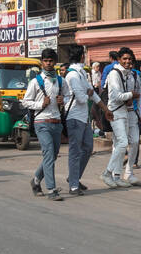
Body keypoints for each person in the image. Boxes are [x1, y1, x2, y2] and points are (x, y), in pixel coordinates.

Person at [24, 48, 65, 201]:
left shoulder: (61, 80)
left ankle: (35, 180)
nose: (48, 63)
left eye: (51, 61)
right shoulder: (35, 81)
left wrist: (63, 101)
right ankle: (51, 189)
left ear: (55, 62)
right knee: (48, 154)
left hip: (56, 121)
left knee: (52, 156)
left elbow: (67, 96)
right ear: (42, 62)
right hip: (41, 122)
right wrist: (41, 104)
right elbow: (26, 102)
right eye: (46, 61)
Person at [63, 45, 103, 194]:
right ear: (81, 57)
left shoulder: (81, 73)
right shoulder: (73, 75)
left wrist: (105, 109)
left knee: (87, 148)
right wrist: (89, 93)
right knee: (75, 151)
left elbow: (92, 93)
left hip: (83, 117)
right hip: (74, 116)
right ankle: (73, 185)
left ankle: (74, 177)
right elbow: (82, 97)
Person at [102, 47, 141, 187]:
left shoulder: (130, 74)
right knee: (122, 143)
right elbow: (116, 96)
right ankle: (107, 173)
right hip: (115, 112)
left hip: (125, 112)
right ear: (119, 60)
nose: (127, 61)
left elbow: (136, 95)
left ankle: (117, 176)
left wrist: (132, 99)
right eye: (124, 59)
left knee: (123, 143)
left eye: (129, 59)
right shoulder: (114, 74)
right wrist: (131, 95)